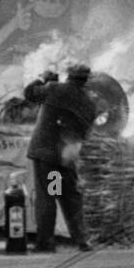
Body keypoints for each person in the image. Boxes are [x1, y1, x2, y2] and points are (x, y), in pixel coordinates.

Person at [24, 64, 97, 252]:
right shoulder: (89, 102)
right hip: (67, 157)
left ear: (69, 76)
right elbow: (85, 132)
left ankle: (46, 242)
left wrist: (43, 78)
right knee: (71, 198)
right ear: (85, 80)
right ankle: (82, 240)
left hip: (48, 156)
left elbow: (30, 93)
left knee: (49, 195)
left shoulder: (55, 88)